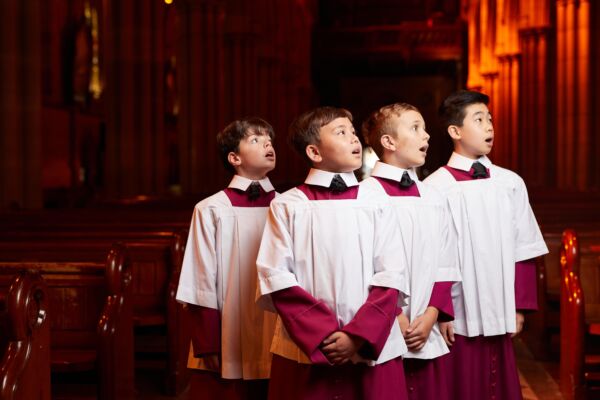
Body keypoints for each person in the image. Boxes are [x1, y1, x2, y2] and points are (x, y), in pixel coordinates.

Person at [256, 106, 410, 400]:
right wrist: (321, 334)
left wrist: (358, 336)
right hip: (307, 343)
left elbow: (392, 272)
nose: (354, 140)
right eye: (341, 133)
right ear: (314, 152)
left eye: (353, 133)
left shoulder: (376, 199)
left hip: (372, 343)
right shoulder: (288, 204)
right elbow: (275, 275)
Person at [425, 90, 548, 400]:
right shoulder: (435, 187)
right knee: (461, 382)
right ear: (455, 131)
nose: (489, 127)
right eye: (479, 120)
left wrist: (520, 306)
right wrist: (442, 311)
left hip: (500, 302)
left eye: (490, 119)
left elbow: (525, 246)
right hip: (458, 307)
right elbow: (432, 257)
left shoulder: (510, 182)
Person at [360, 102, 460, 400]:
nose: (426, 136)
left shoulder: (433, 195)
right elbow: (364, 264)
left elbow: (447, 259)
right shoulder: (364, 196)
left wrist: (432, 313)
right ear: (388, 142)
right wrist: (394, 314)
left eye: (425, 128)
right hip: (385, 321)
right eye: (415, 128)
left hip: (426, 325)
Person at [176, 117, 278, 399]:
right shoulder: (210, 209)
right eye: (255, 139)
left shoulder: (288, 205)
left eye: (269, 139)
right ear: (234, 157)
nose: (268, 143)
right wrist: (208, 342)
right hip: (228, 328)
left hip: (278, 327)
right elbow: (200, 279)